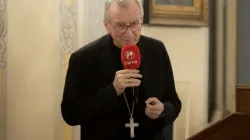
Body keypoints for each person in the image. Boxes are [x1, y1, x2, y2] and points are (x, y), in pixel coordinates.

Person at [61, 0, 181, 140]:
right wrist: (112, 91)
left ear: (141, 19)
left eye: (135, 24)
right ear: (107, 25)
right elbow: (70, 114)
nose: (129, 34)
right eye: (120, 26)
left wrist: (162, 110)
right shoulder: (83, 58)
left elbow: (174, 103)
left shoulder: (156, 50)